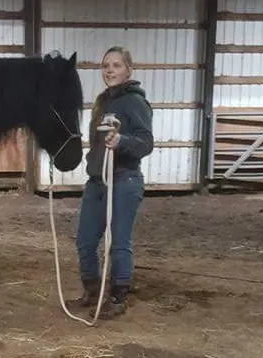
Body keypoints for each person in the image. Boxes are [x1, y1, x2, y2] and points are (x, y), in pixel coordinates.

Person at [65, 46, 154, 319]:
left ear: (128, 69)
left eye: (116, 65)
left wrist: (122, 142)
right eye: (106, 66)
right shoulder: (103, 102)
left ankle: (117, 296)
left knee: (118, 242)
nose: (110, 70)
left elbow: (146, 142)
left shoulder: (134, 102)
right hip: (98, 181)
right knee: (85, 239)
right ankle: (92, 291)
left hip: (124, 179)